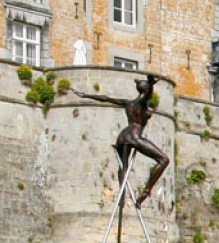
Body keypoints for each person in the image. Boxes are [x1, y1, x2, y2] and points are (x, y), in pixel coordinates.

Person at [72, 74, 170, 208]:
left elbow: (106, 99)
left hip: (122, 136)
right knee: (164, 160)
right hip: (134, 136)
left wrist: (86, 95)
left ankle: (122, 195)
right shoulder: (141, 103)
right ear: (145, 90)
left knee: (123, 167)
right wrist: (151, 84)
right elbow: (148, 95)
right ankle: (146, 192)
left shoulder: (128, 103)